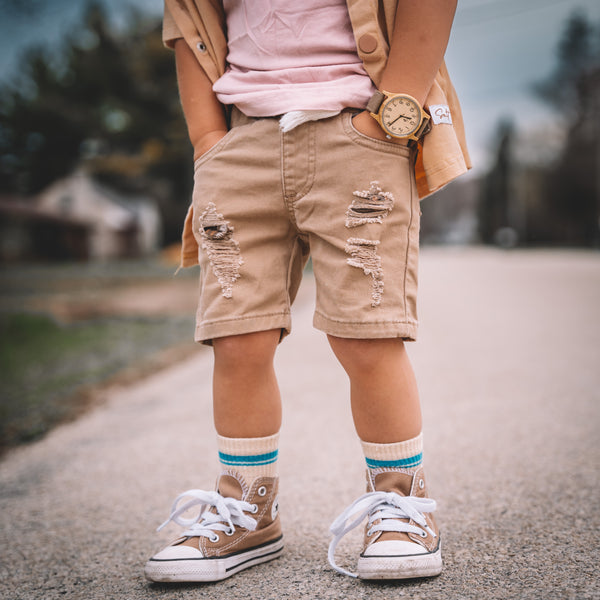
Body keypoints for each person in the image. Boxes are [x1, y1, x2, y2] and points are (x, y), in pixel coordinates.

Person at [145, 0, 470, 583]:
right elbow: (189, 20)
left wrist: (388, 116)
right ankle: (250, 509)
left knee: (367, 335)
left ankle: (402, 506)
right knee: (237, 337)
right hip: (240, 141)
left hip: (358, 128)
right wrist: (207, 143)